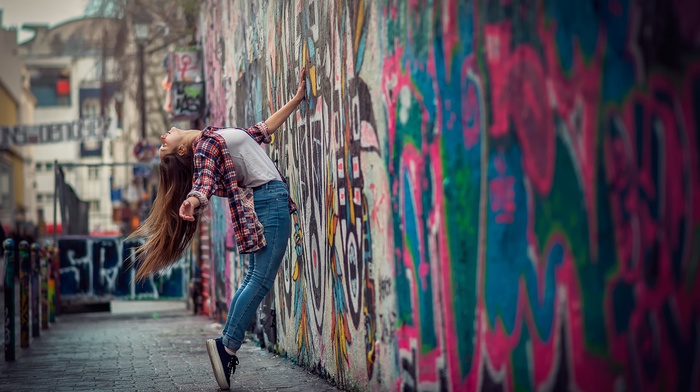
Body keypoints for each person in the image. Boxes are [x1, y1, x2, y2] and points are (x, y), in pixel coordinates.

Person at [128, 68, 307, 390]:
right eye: (165, 145)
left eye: (161, 144)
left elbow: (262, 130)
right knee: (260, 279)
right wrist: (194, 200)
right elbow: (204, 181)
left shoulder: (215, 139)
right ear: (183, 152)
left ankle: (226, 345)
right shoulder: (205, 147)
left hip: (267, 201)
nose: (162, 137)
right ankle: (227, 347)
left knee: (255, 277)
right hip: (271, 201)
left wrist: (297, 99)